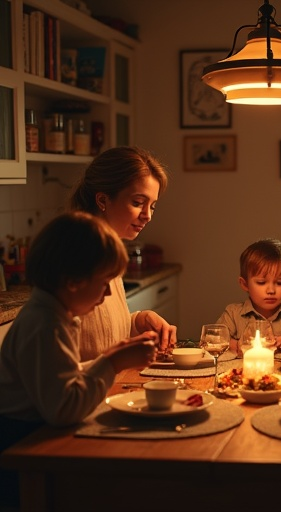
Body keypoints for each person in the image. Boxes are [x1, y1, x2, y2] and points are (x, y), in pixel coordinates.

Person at [0, 212, 157, 508]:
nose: (108, 292)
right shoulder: (45, 325)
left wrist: (114, 358)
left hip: (37, 433)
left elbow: (63, 376)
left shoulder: (53, 314)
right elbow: (63, 408)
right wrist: (112, 362)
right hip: (23, 449)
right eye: (104, 283)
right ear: (73, 281)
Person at [68, 146, 177, 361]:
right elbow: (63, 360)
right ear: (102, 200)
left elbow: (101, 329)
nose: (147, 216)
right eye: (137, 203)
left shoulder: (108, 250)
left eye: (152, 206)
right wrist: (119, 360)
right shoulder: (77, 256)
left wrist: (139, 321)